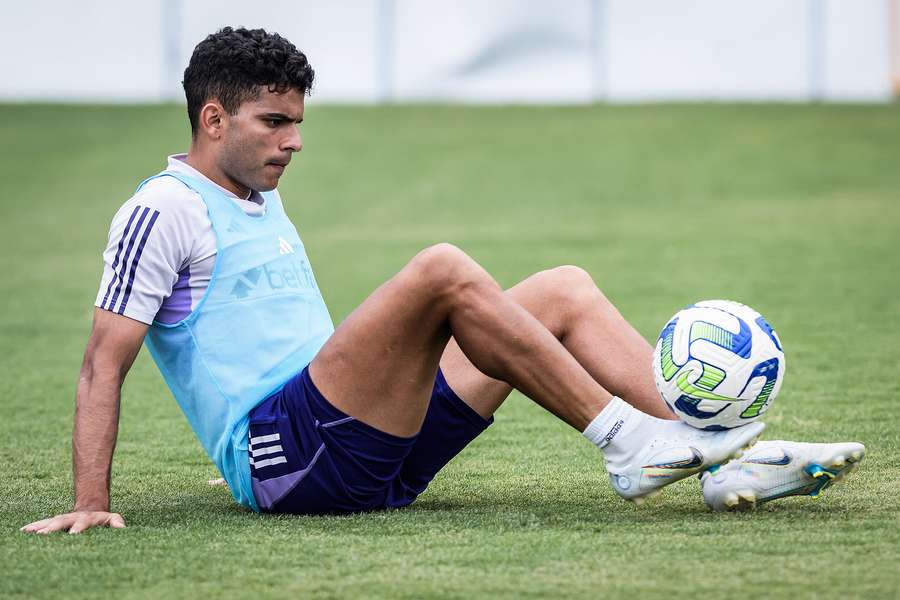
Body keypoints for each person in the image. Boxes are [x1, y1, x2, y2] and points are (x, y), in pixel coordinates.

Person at [21, 28, 864, 534]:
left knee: (561, 288)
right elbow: (103, 360)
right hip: (293, 457)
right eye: (274, 122)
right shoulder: (163, 209)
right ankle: (629, 444)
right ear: (212, 119)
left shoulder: (250, 192)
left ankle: (712, 456)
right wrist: (93, 500)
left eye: (299, 123)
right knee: (442, 272)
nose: (294, 142)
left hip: (357, 447)